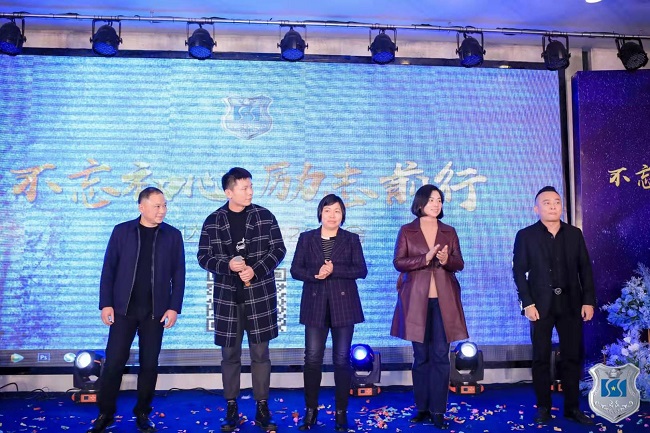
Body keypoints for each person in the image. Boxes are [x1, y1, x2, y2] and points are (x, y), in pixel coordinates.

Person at [87, 187, 186, 433]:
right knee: (113, 364)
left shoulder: (173, 235)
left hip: (156, 312)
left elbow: (179, 274)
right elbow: (108, 269)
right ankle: (105, 413)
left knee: (149, 365)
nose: (162, 210)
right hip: (123, 310)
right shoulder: (122, 232)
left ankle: (143, 413)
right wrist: (105, 303)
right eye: (157, 206)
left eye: (164, 205)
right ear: (142, 207)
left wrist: (174, 307)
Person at [197, 167, 286, 432]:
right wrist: (227, 265)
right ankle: (231, 407)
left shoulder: (264, 216)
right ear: (229, 192)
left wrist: (255, 270)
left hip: (260, 298)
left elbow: (279, 249)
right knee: (229, 355)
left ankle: (262, 407)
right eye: (244, 188)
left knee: (261, 354)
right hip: (227, 300)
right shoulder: (213, 221)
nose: (250, 192)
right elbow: (203, 257)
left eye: (251, 187)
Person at [512, 186, 596, 425]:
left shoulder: (574, 234)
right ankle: (544, 408)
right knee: (540, 357)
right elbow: (519, 272)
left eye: (557, 202)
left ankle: (572, 408)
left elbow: (585, 269)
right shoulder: (526, 235)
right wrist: (527, 303)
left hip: (571, 304)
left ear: (562, 207)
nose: (553, 206)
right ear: (536, 209)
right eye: (547, 203)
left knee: (572, 356)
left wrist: (588, 300)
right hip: (540, 306)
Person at [390, 184, 468, 430]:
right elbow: (398, 262)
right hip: (416, 301)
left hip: (444, 301)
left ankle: (438, 410)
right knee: (421, 356)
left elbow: (459, 263)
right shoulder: (407, 230)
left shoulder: (449, 231)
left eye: (440, 200)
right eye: (432, 200)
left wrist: (446, 260)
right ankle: (422, 407)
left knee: (441, 356)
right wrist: (424, 259)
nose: (436, 204)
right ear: (420, 202)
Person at [290, 194, 368, 432]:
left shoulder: (351, 239)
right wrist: (316, 273)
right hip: (315, 305)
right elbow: (295, 270)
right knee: (312, 358)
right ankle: (311, 410)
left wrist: (335, 270)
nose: (332, 215)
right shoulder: (306, 238)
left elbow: (361, 270)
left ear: (343, 215)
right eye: (327, 210)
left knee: (342, 360)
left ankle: (341, 413)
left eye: (337, 211)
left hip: (344, 305)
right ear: (320, 213)